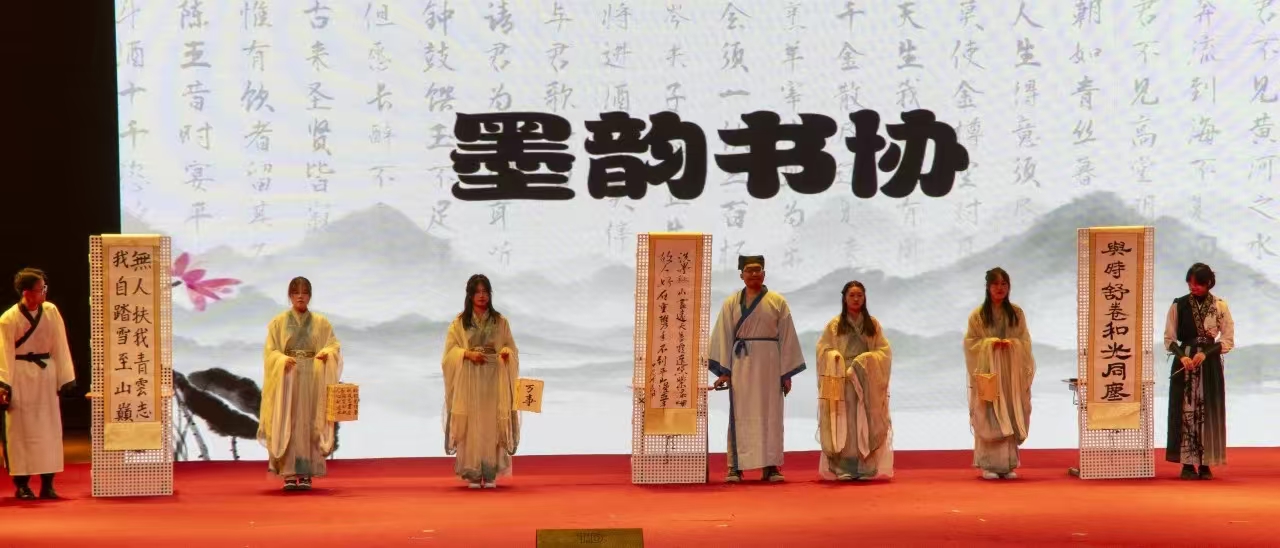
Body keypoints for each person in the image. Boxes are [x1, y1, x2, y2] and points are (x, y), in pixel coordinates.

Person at [708, 255, 805, 483]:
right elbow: (723, 335)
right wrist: (725, 371)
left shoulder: (777, 301)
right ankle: (735, 467)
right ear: (741, 275)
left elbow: (787, 337)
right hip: (741, 365)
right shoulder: (731, 303)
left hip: (770, 364)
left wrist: (786, 373)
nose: (753, 274)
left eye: (757, 270)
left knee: (771, 414)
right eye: (749, 270)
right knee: (741, 414)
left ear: (764, 273)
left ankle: (771, 466)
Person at [258, 277, 343, 491]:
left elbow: (333, 345)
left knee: (310, 421)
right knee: (288, 420)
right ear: (290, 296)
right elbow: (270, 351)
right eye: (296, 292)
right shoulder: (278, 322)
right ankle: (288, 472)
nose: (300, 296)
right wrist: (281, 359)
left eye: (304, 293)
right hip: (288, 377)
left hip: (312, 377)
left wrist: (326, 353)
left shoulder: (321, 322)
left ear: (310, 296)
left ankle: (306, 473)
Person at [0, 268, 76, 500]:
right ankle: (22, 484)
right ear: (27, 293)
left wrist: (66, 377)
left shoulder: (51, 311)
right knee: (20, 430)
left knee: (48, 428)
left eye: (44, 287)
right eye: (40, 288)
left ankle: (48, 483)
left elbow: (60, 344)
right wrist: (4, 385)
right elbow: (3, 353)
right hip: (20, 374)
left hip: (45, 375)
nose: (44, 292)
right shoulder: (8, 319)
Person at [441, 274, 520, 489]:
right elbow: (449, 353)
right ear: (470, 295)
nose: (482, 296)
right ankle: (473, 473)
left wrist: (506, 353)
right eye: (477, 292)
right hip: (469, 376)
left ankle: (490, 472)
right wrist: (467, 354)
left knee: (491, 422)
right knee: (472, 423)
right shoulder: (459, 322)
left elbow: (511, 347)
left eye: (485, 291)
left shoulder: (500, 321)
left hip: (494, 377)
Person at [815, 281, 893, 481]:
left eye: (860, 295)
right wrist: (835, 358)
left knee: (866, 419)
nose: (856, 299)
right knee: (845, 421)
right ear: (844, 298)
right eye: (852, 295)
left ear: (864, 298)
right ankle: (844, 466)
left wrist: (866, 360)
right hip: (842, 377)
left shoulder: (872, 324)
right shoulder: (834, 325)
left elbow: (883, 351)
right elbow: (823, 349)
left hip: (865, 377)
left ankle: (866, 465)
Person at [963, 267, 1035, 480]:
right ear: (988, 287)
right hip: (988, 373)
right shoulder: (978, 315)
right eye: (995, 284)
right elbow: (970, 343)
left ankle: (1008, 464)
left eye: (1004, 284)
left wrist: (1012, 345)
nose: (1000, 288)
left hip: (1010, 375)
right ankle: (988, 465)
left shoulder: (1016, 313)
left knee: (1010, 411)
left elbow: (1025, 341)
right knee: (990, 414)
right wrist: (990, 345)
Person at [1164, 263, 1234, 480]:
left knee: (1207, 410)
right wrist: (1182, 356)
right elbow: (1169, 339)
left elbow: (1227, 340)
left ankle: (1205, 463)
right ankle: (1186, 464)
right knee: (1186, 410)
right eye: (1190, 283)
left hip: (1209, 363)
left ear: (1208, 283)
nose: (1193, 287)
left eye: (1197, 284)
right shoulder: (1179, 304)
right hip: (1185, 361)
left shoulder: (1220, 305)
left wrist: (1206, 353)